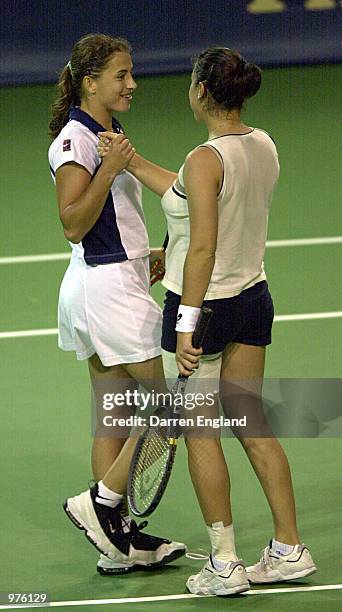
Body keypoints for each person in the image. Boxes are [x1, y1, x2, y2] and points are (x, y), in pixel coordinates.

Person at [98, 47, 317, 595]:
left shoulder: (204, 158)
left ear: (199, 90)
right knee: (252, 424)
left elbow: (202, 247)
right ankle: (289, 548)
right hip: (253, 298)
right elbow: (192, 201)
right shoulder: (262, 144)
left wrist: (187, 326)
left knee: (200, 434)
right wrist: (134, 163)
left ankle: (223, 563)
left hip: (205, 308)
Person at [48, 33, 185, 576]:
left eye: (132, 73)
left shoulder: (108, 131)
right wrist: (112, 166)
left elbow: (111, 218)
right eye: (121, 75)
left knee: (115, 415)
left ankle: (119, 543)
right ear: (91, 81)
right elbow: (73, 223)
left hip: (112, 279)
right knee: (173, 409)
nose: (132, 84)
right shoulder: (74, 140)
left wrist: (141, 253)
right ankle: (102, 504)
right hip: (107, 291)